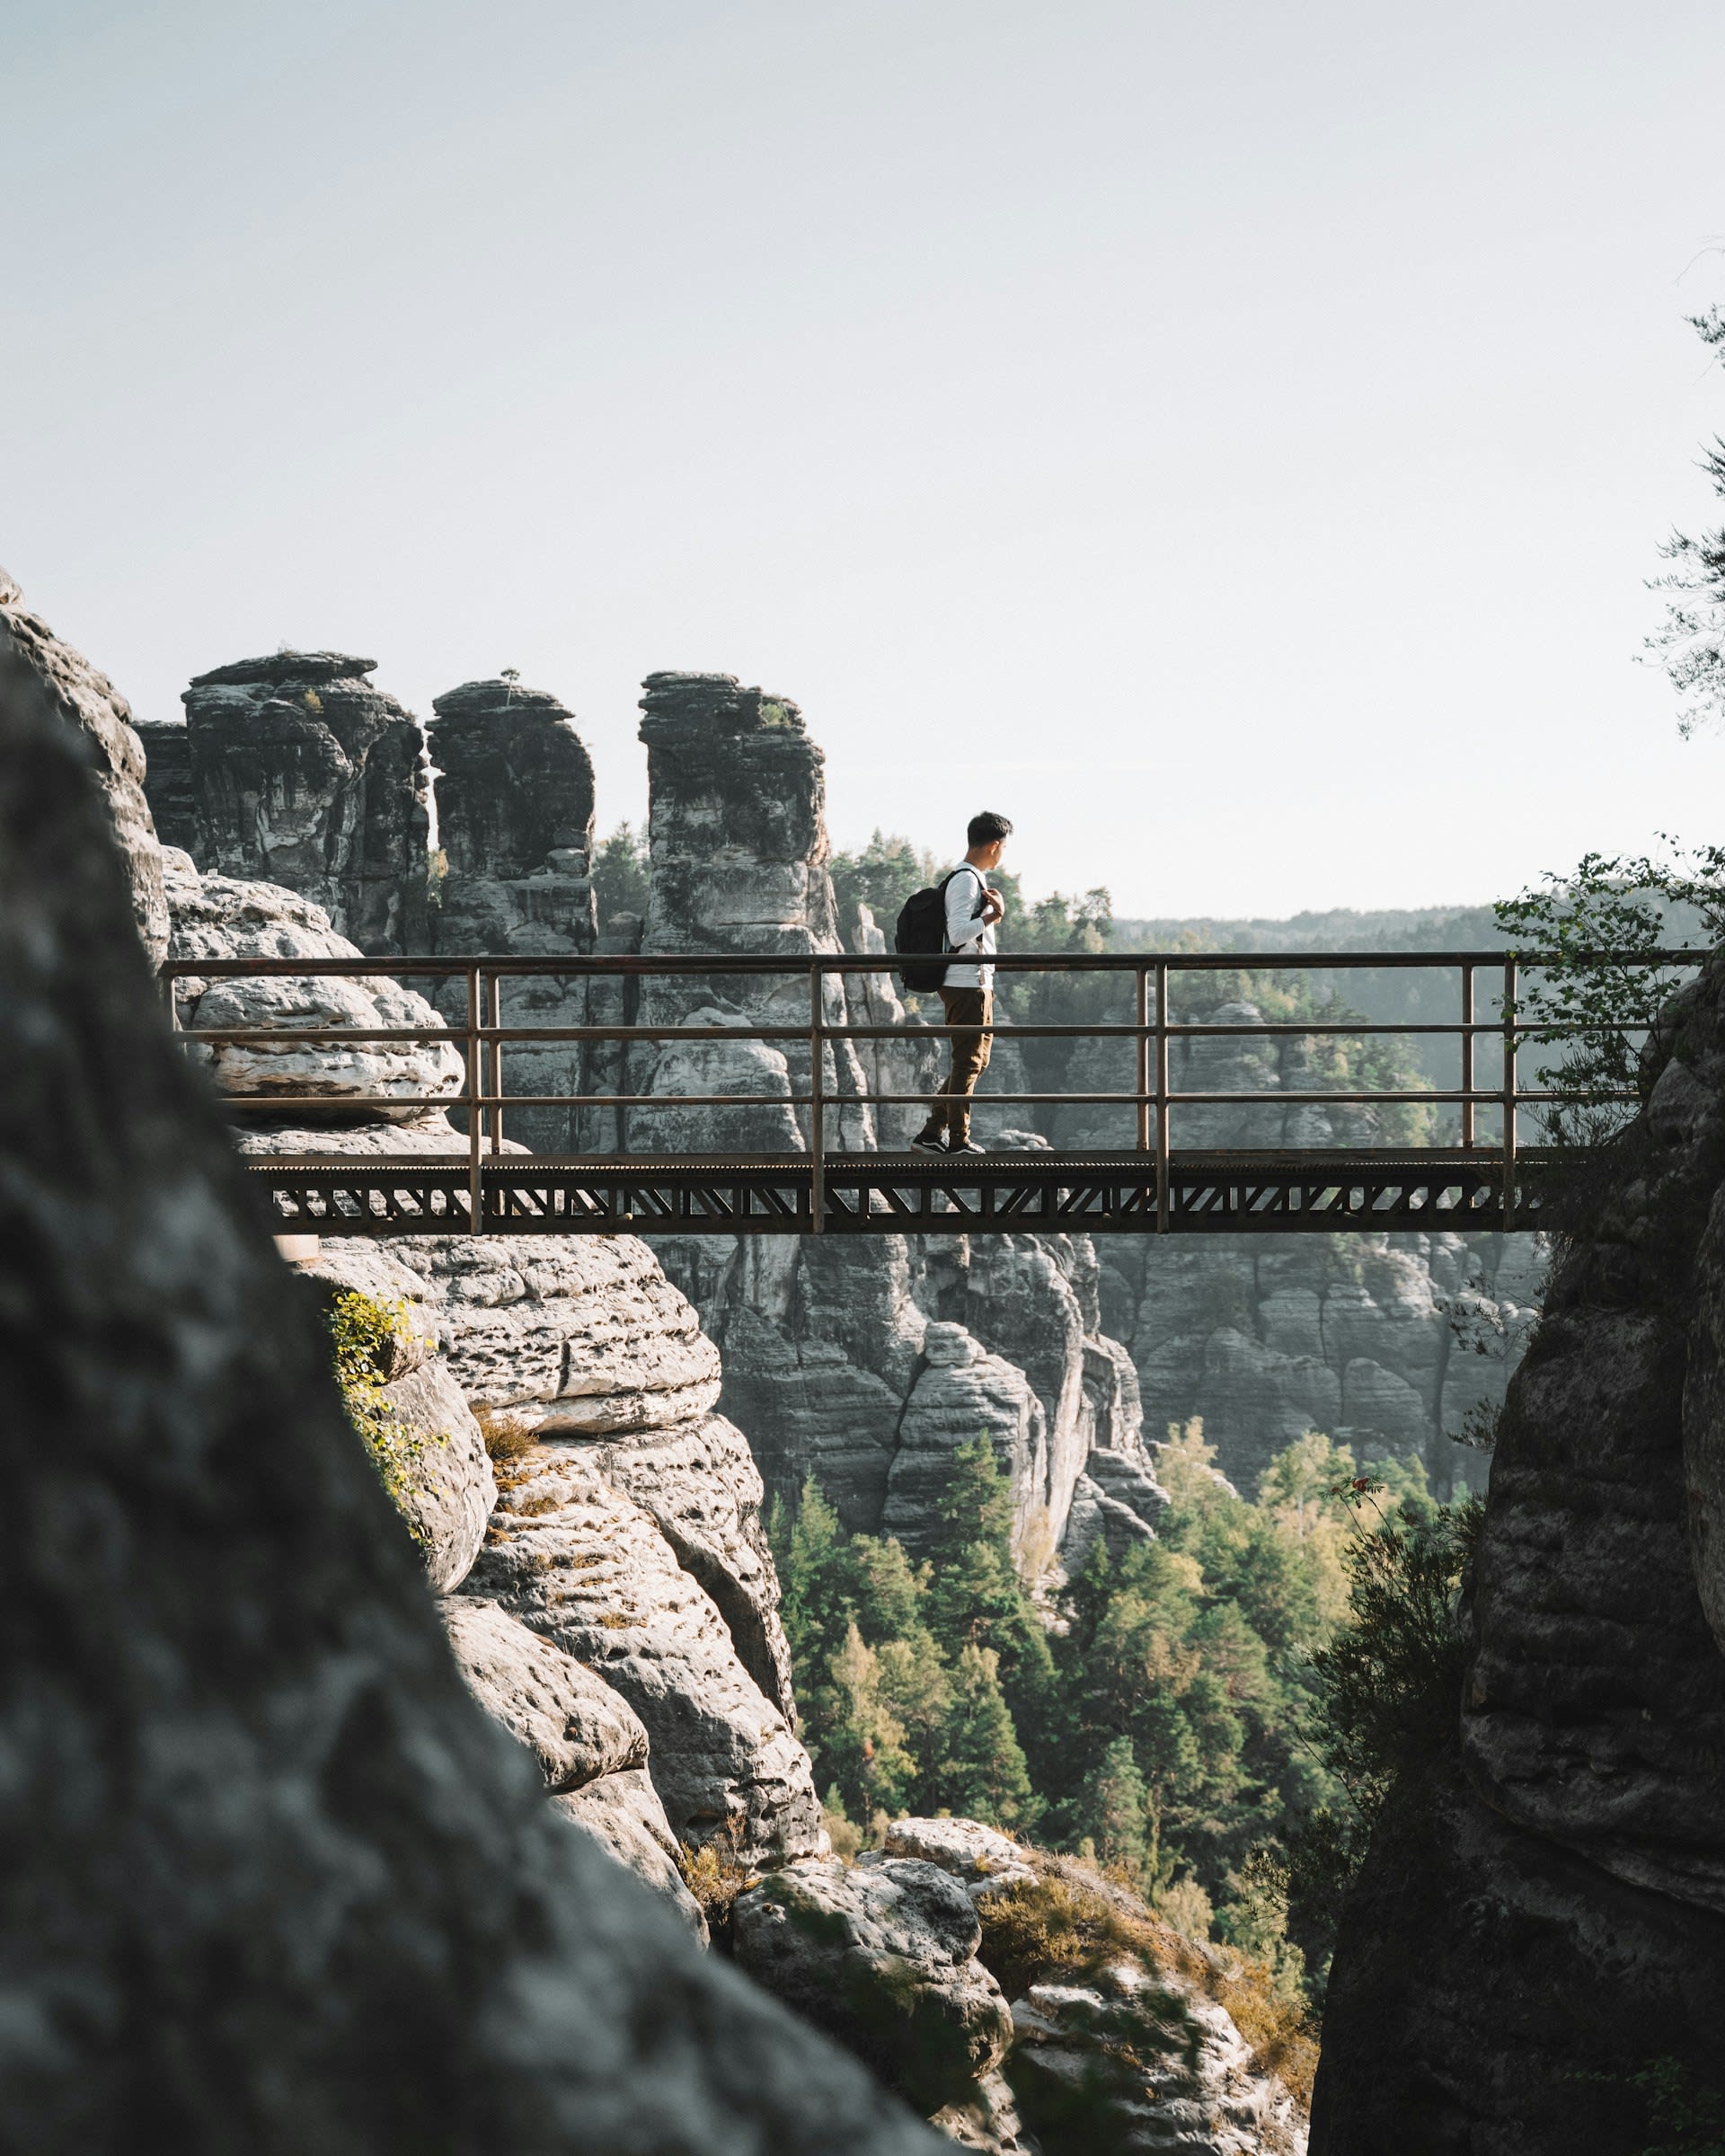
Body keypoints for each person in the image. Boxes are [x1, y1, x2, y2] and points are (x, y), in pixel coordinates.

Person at [913, 811, 1013, 1154]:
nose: (1003, 855)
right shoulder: (966, 880)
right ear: (995, 845)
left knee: (976, 1061)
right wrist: (993, 916)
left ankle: (931, 1133)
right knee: (967, 1061)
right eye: (1003, 848)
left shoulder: (972, 879)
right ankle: (958, 1140)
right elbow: (957, 933)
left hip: (976, 981)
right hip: (965, 982)